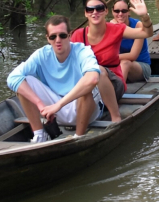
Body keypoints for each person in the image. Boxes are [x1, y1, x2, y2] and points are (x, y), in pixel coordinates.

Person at [7, 15, 103, 143]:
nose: (58, 40)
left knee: (87, 87)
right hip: (55, 110)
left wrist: (58, 105)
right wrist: (40, 105)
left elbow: (93, 79)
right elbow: (12, 78)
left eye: (62, 35)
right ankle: (39, 135)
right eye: (53, 37)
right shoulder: (41, 55)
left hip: (85, 110)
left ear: (69, 35)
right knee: (24, 81)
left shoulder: (82, 51)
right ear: (48, 38)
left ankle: (79, 137)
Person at [71, 0, 154, 122]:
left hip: (113, 83)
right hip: (89, 85)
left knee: (98, 70)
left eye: (99, 8)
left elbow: (147, 33)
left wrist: (145, 16)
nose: (95, 12)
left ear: (105, 11)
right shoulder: (78, 35)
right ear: (86, 13)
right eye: (90, 9)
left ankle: (115, 116)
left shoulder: (116, 29)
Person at [110, 0, 152, 83]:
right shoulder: (110, 26)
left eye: (124, 11)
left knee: (125, 62)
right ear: (112, 12)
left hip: (139, 66)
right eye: (117, 11)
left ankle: (118, 89)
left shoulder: (138, 25)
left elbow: (133, 56)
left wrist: (108, 58)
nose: (120, 14)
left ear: (129, 12)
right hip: (117, 64)